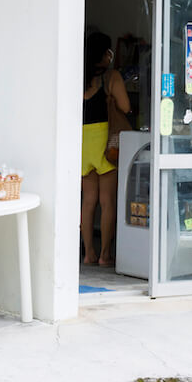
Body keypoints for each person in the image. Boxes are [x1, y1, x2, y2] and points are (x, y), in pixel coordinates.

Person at [80, 31, 129, 267]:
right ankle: (105, 255)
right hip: (104, 142)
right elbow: (126, 107)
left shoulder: (79, 76)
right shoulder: (111, 77)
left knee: (88, 201)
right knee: (107, 201)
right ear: (105, 53)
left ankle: (88, 253)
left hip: (82, 142)